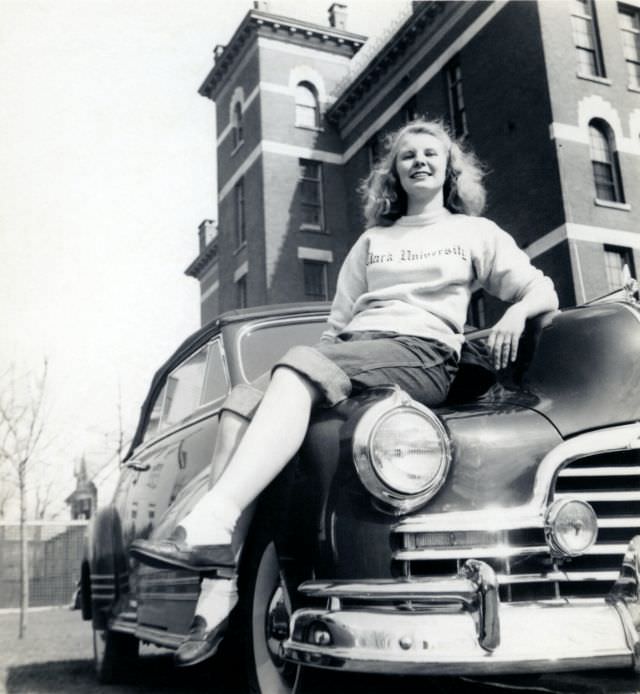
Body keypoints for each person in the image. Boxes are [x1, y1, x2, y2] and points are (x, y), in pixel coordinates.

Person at [130, 118, 559, 666]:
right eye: (407, 156)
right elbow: (337, 329)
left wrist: (516, 315)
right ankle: (220, 589)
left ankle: (214, 517)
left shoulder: (475, 233)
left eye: (431, 153)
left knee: (293, 371)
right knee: (240, 406)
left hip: (424, 354)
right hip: (359, 349)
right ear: (394, 173)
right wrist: (314, 374)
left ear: (450, 169)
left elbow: (540, 288)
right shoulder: (371, 242)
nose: (420, 161)